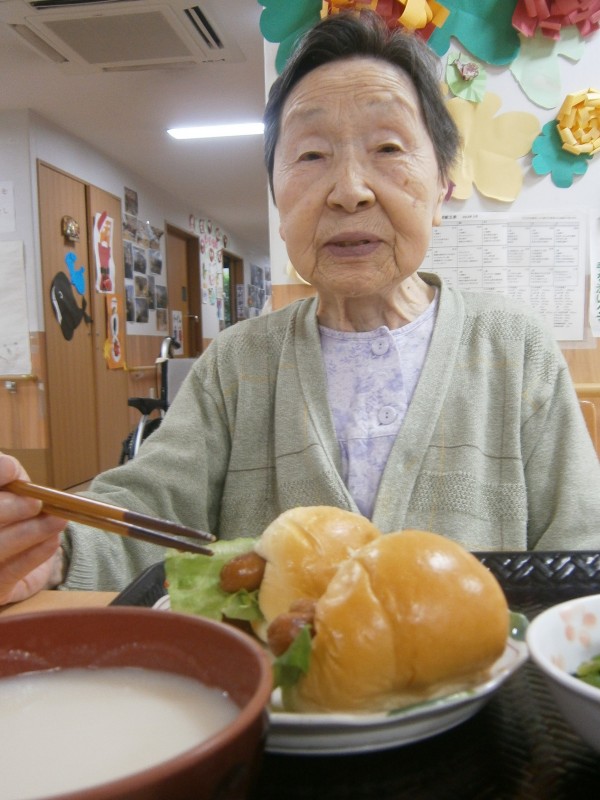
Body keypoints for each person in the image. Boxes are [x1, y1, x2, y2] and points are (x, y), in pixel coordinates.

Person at [1, 11, 599, 607]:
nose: (349, 191)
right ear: (278, 202)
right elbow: (147, 509)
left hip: (486, 669)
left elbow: (582, 549)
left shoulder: (516, 350)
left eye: (388, 147)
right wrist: (50, 551)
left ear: (442, 186)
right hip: (268, 669)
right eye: (311, 155)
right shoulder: (237, 364)